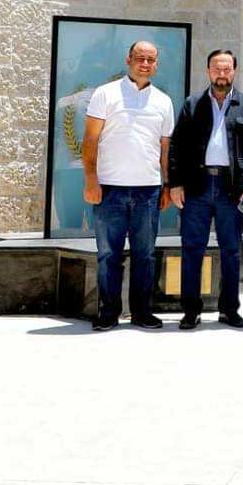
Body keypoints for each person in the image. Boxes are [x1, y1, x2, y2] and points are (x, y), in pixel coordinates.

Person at [81, 41, 174, 331]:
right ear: (128, 60)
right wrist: (91, 179)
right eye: (139, 58)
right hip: (110, 189)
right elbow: (90, 139)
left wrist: (166, 185)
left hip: (148, 191)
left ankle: (141, 312)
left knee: (145, 255)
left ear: (156, 64)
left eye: (150, 60)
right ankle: (109, 312)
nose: (145, 64)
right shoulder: (105, 94)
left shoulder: (164, 101)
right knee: (109, 255)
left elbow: (165, 149)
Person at [169, 50, 243, 329]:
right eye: (216, 69)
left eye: (226, 69)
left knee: (231, 250)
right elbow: (177, 147)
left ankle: (229, 310)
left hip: (231, 188)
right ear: (208, 71)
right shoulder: (192, 103)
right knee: (192, 249)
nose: (222, 74)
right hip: (196, 186)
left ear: (235, 71)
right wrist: (175, 183)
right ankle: (191, 311)